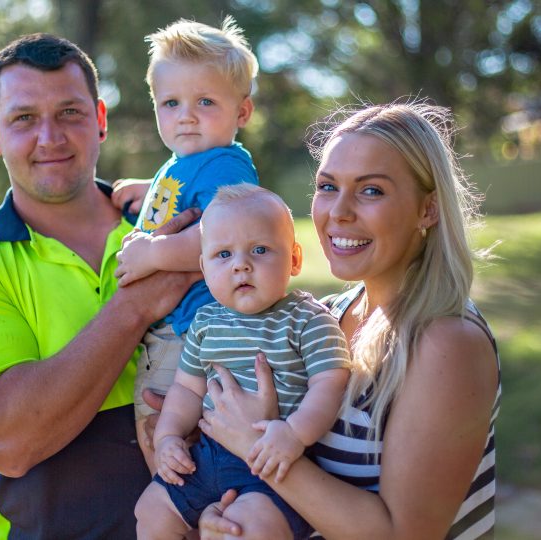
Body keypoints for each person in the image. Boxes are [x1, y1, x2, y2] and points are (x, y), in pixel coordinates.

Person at [0, 33, 199, 539]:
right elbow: (9, 440)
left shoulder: (178, 226)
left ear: (100, 120)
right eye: (24, 118)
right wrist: (133, 307)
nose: (50, 137)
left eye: (69, 112)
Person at [196, 102, 502, 540]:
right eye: (327, 186)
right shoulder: (328, 314)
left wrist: (255, 447)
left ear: (428, 210)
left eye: (371, 190)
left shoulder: (446, 342)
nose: (338, 212)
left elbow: (404, 534)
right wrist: (225, 515)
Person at [134, 184, 351, 540]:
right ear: (204, 268)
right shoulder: (205, 323)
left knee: (246, 529)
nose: (241, 265)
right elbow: (187, 388)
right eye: (223, 255)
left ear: (294, 259)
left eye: (260, 250)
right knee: (151, 510)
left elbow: (330, 382)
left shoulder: (306, 319)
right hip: (205, 457)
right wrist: (168, 436)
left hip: (273, 464)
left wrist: (295, 434)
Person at [109, 16, 261, 470]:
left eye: (205, 102)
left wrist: (152, 254)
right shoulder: (186, 162)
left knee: (165, 444)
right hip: (179, 331)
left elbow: (224, 236)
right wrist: (149, 193)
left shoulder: (225, 167)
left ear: (243, 112)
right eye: (170, 103)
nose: (185, 115)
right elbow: (182, 208)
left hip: (194, 331)